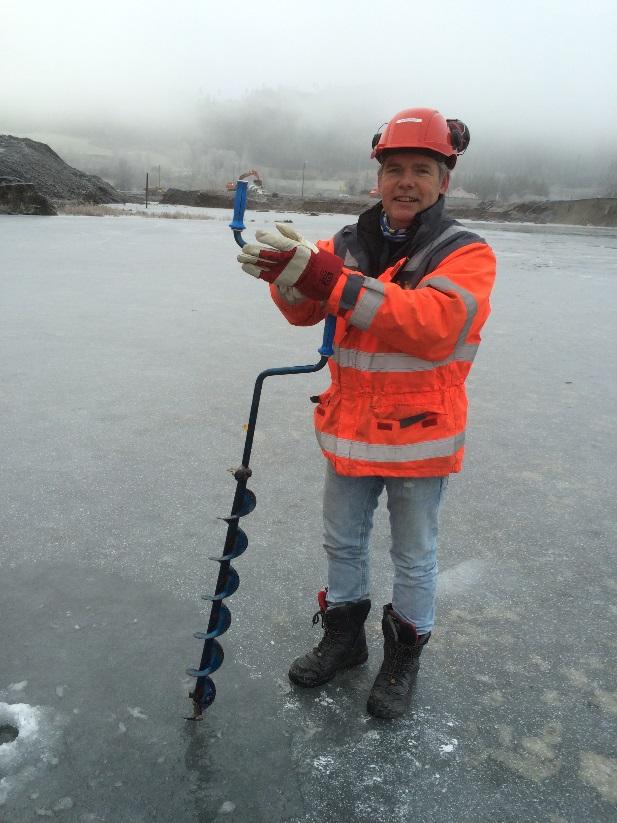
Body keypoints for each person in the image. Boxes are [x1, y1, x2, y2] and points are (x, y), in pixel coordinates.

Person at [237, 107, 496, 719]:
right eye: (395, 169)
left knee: (414, 555)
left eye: (422, 170)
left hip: (419, 440)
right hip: (349, 429)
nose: (407, 181)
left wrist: (327, 279)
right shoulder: (346, 242)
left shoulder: (466, 252)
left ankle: (402, 660)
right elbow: (305, 311)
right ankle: (345, 640)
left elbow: (431, 326)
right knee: (343, 544)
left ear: (444, 182)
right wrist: (287, 277)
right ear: (378, 179)